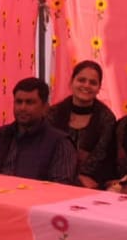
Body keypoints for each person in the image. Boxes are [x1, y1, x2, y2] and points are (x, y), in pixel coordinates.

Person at [0, 77, 77, 185]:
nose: (22, 108)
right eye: (19, 102)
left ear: (45, 107)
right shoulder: (1, 135)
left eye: (30, 102)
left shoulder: (60, 143)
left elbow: (60, 187)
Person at [48, 60, 118, 188]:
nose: (86, 85)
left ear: (99, 88)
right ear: (71, 82)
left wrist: (81, 177)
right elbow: (47, 149)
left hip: (92, 181)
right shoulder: (53, 113)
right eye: (81, 80)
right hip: (54, 177)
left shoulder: (106, 118)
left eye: (93, 83)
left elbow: (101, 154)